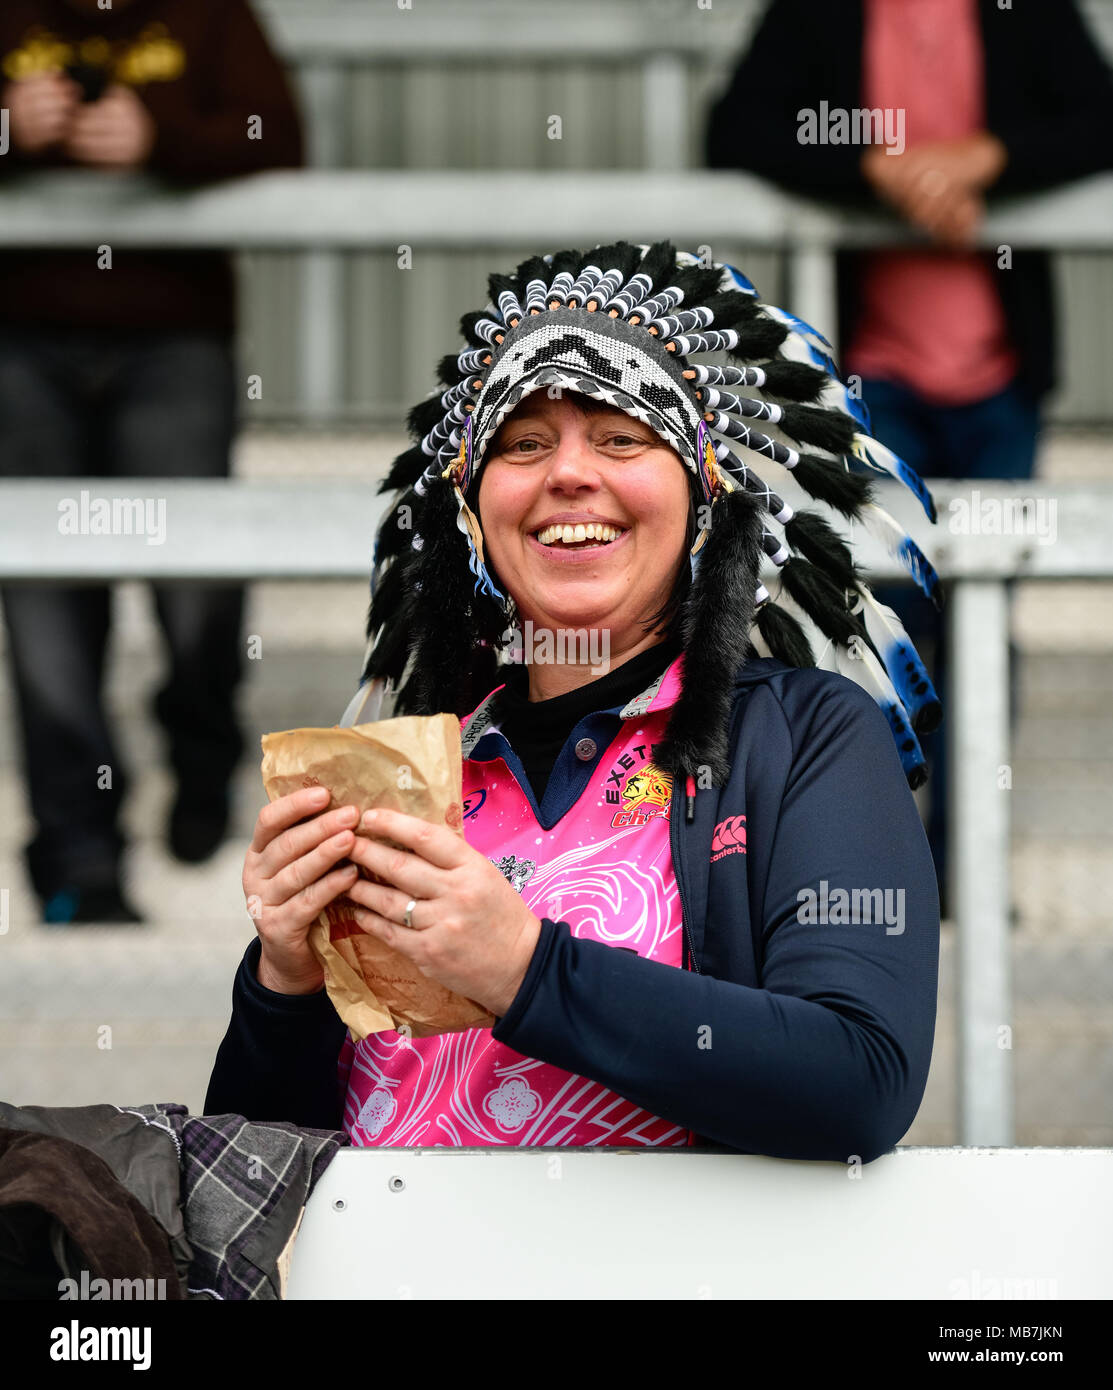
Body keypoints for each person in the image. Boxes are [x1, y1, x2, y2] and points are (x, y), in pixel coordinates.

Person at [207, 242, 941, 1162]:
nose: (567, 473)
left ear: (701, 495)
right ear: (472, 512)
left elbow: (857, 1083)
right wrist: (284, 983)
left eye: (621, 436)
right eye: (522, 443)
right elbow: (247, 1167)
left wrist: (524, 967)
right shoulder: (405, 774)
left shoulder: (802, 736)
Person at [705, 0, 1113, 909]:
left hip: (1000, 380)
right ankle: (879, 870)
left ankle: (962, 866)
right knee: (875, 627)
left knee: (979, 619)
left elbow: (1098, 116)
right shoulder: (819, 15)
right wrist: (875, 170)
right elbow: (734, 128)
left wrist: (984, 157)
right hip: (872, 380)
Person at [0, 0, 304, 922]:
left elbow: (279, 136)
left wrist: (156, 135)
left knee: (200, 588)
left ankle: (201, 748)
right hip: (19, 343)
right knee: (46, 605)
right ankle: (81, 859)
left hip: (173, 340)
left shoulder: (211, 10)